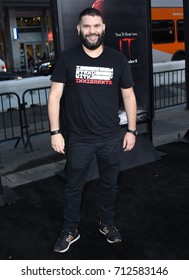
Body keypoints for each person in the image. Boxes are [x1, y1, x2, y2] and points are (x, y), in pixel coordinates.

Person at [48, 7, 137, 253]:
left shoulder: (117, 60)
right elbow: (54, 96)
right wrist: (55, 132)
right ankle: (70, 229)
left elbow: (129, 96)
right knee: (73, 186)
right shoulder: (67, 59)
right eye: (86, 26)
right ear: (78, 29)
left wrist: (131, 130)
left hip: (110, 137)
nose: (92, 31)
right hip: (78, 140)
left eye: (96, 26)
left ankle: (107, 224)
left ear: (103, 29)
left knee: (110, 185)